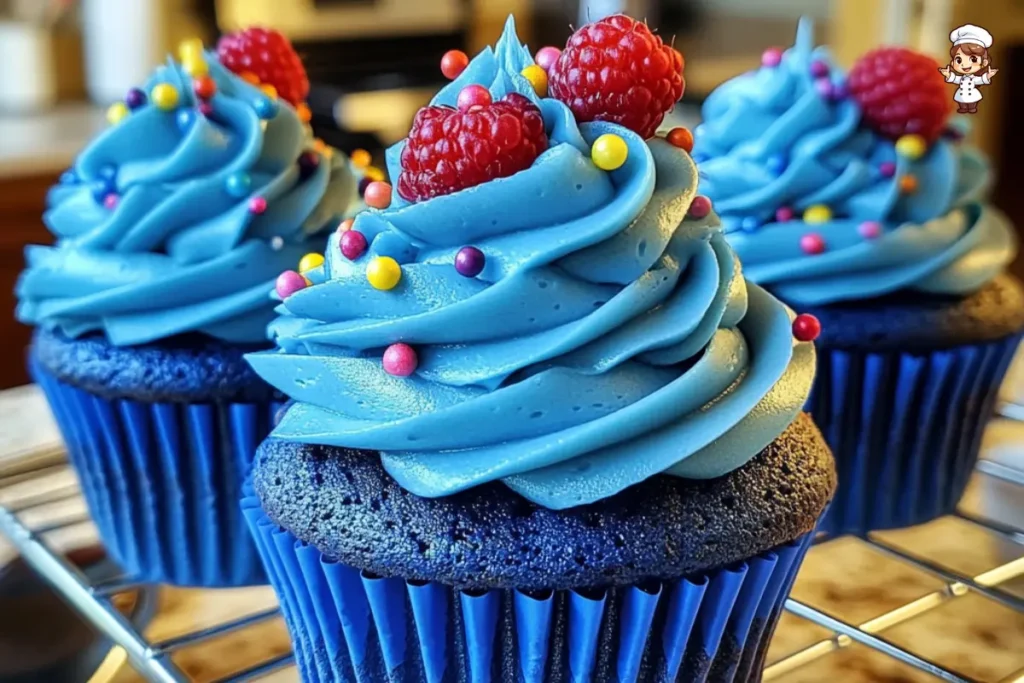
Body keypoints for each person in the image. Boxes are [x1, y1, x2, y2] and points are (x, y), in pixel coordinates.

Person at [940, 24, 998, 114]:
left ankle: (971, 107)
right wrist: (949, 75)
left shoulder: (974, 79)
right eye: (959, 60)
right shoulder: (961, 78)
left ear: (984, 63)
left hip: (971, 95)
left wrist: (988, 76)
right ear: (952, 62)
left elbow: (981, 80)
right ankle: (963, 107)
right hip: (962, 94)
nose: (965, 64)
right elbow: (955, 78)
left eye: (973, 59)